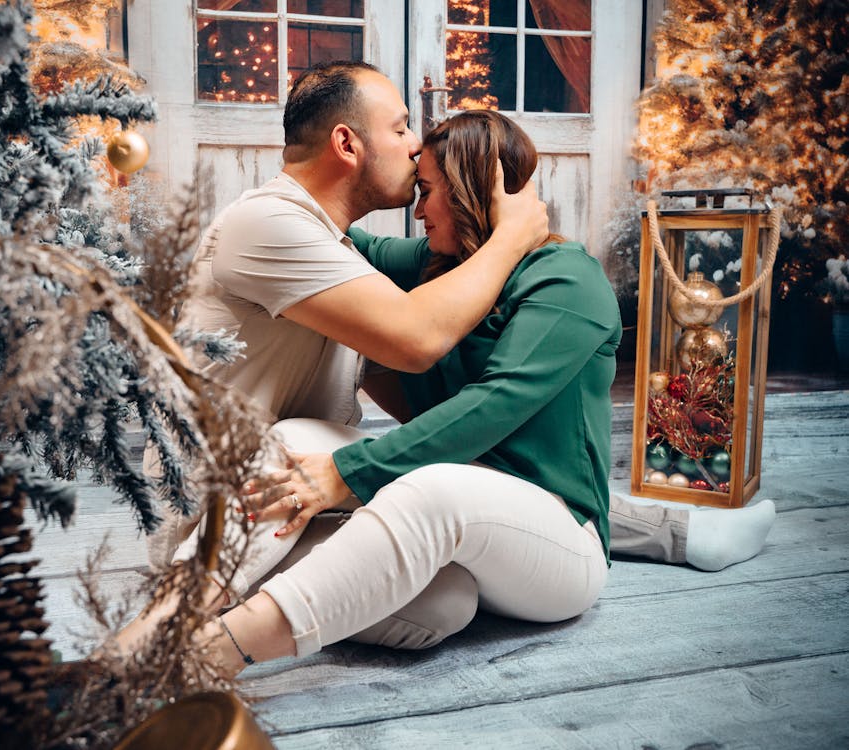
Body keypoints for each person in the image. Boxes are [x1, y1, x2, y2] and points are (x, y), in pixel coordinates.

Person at [168, 60, 775, 576]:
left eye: (430, 185)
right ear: (348, 145)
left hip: (297, 487)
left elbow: (469, 400)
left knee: (461, 552)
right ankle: (173, 627)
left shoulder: (346, 246)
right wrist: (510, 236)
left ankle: (677, 532)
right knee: (436, 466)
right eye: (403, 128)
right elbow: (416, 340)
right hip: (237, 493)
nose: (413, 146)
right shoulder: (277, 226)